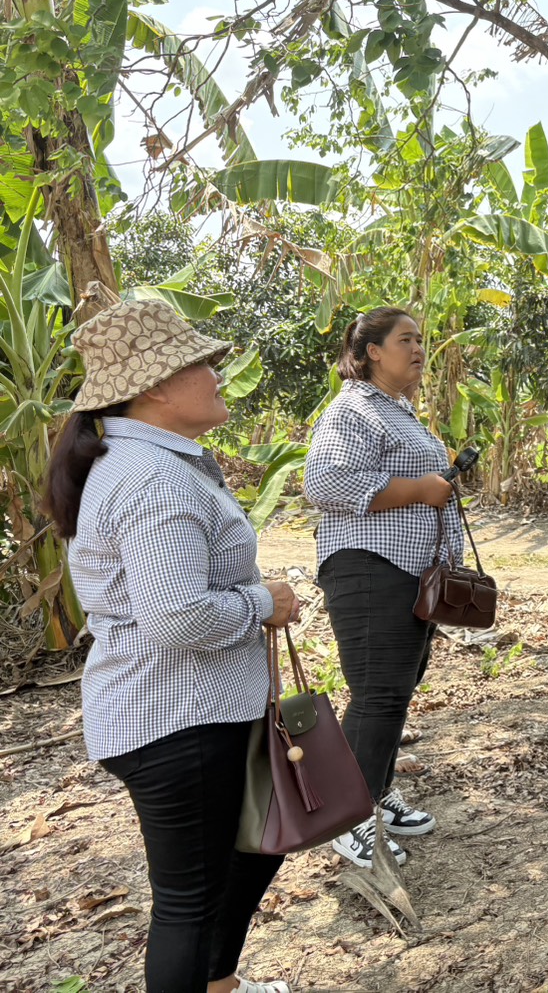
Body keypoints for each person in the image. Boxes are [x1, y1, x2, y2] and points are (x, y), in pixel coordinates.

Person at [43, 299, 299, 993]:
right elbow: (176, 619)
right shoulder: (153, 478)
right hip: (175, 720)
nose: (219, 374)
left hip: (188, 712)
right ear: (156, 385)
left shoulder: (152, 464)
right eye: (204, 364)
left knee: (239, 863)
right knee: (189, 904)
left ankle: (219, 983)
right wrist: (261, 602)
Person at [303, 307, 459, 868]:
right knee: (378, 693)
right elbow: (323, 480)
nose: (418, 348)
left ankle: (377, 790)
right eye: (405, 340)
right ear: (372, 352)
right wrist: (420, 487)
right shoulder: (354, 408)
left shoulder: (399, 411)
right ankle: (349, 817)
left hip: (408, 573)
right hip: (369, 568)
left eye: (421, 338)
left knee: (397, 686)